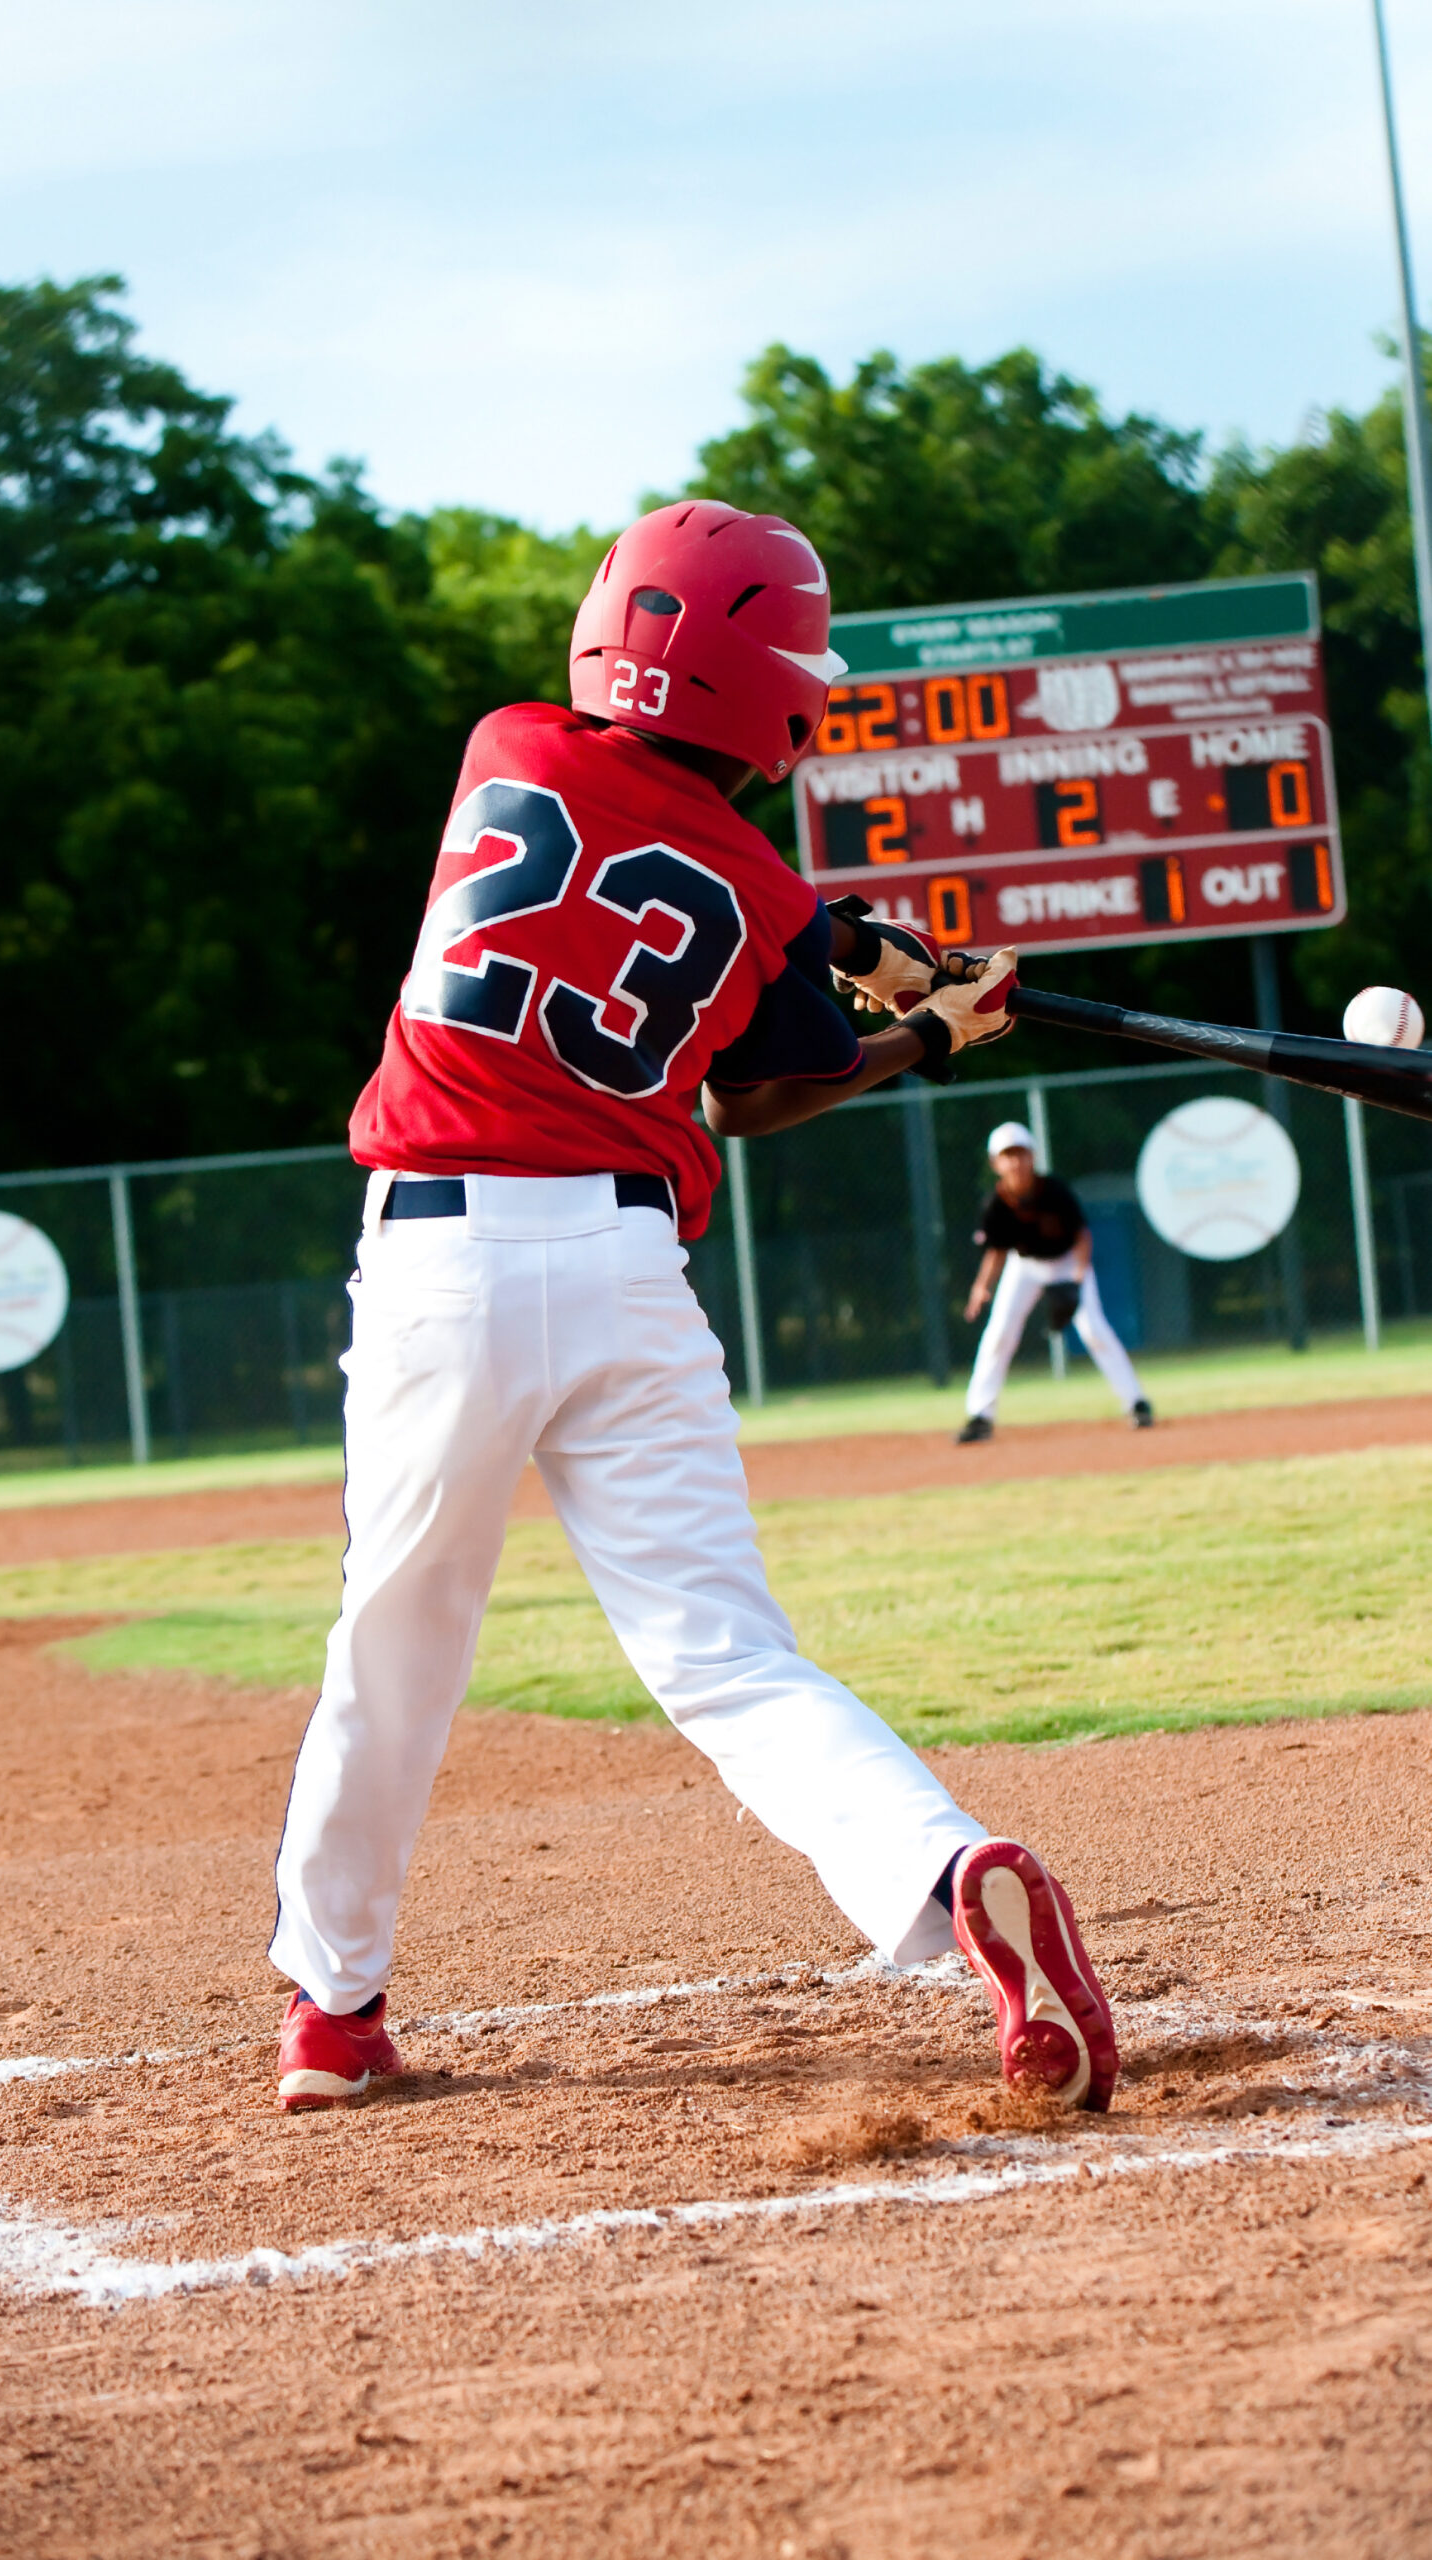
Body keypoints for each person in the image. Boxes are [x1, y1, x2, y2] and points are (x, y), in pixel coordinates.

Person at [268, 501, 1116, 2119]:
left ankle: (333, 2010)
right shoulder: (760, 880)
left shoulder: (501, 745)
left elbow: (644, 880)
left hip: (440, 1259)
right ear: (781, 705)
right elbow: (764, 1087)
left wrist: (841, 944)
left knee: (396, 1645)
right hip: (625, 1274)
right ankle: (953, 1871)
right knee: (727, 1657)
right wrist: (931, 1027)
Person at [956, 1121, 1152, 1443]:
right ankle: (980, 1417)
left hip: (1068, 1263)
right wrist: (981, 1287)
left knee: (1094, 1331)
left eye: (1021, 1153)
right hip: (1026, 1266)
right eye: (1008, 1155)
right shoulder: (995, 1204)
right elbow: (997, 1252)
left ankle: (1137, 1403)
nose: (1016, 1161)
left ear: (1032, 1156)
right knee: (999, 1333)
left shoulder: (1054, 1191)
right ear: (996, 1164)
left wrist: (1076, 1281)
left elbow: (1083, 1237)